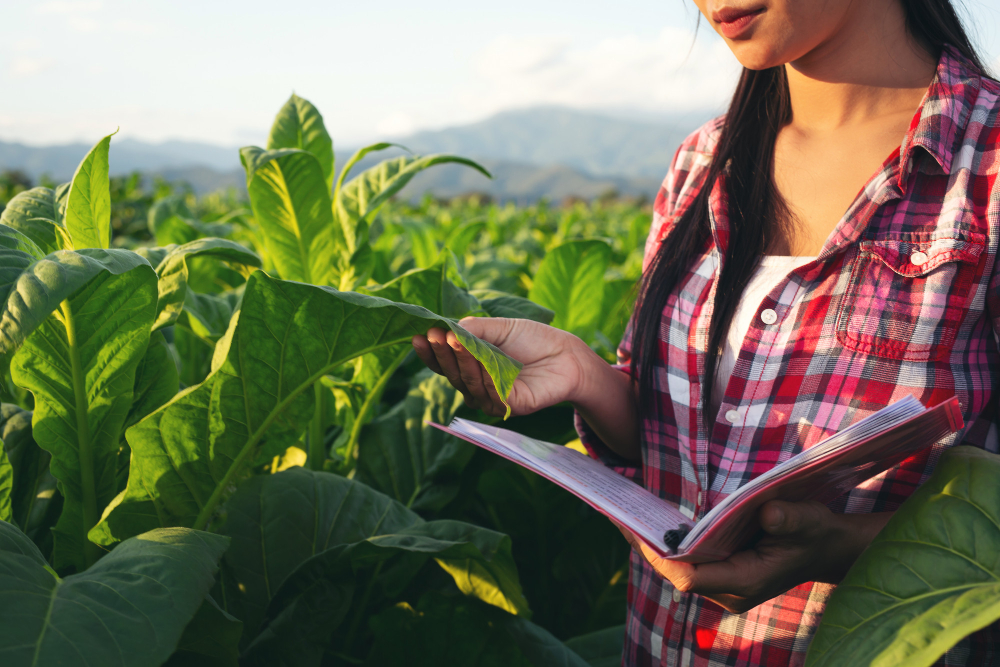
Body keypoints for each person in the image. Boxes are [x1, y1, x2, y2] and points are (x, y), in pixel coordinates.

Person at [412, 0, 1000, 664]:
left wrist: (842, 544)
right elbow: (685, 446)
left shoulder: (986, 168)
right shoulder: (702, 163)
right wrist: (585, 377)